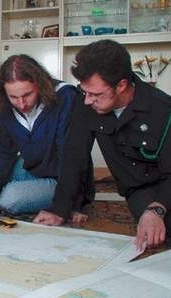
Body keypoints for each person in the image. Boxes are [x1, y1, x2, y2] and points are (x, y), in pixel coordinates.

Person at [33, 39, 171, 250]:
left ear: (122, 85)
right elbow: (74, 156)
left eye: (95, 94)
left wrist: (157, 209)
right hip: (139, 190)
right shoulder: (86, 103)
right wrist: (59, 210)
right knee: (160, 231)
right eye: (84, 91)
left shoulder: (162, 110)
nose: (88, 100)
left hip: (165, 184)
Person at [0, 54, 93, 216]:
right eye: (13, 97)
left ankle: (20, 189)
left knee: (10, 199)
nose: (21, 104)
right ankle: (11, 188)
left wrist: (71, 205)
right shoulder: (6, 106)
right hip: (34, 168)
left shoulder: (66, 97)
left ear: (40, 85)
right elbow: (4, 149)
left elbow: (71, 157)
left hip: (61, 177)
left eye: (27, 95)